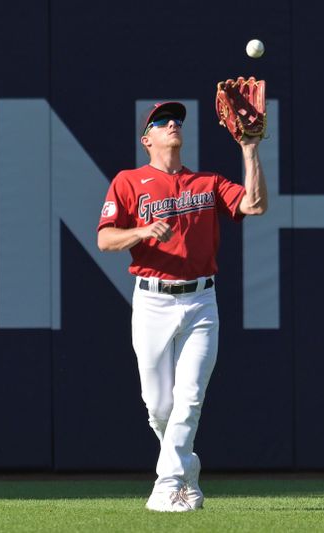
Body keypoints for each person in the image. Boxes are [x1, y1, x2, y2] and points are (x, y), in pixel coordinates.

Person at [97, 101, 267, 512]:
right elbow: (105, 240)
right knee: (159, 406)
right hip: (152, 300)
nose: (172, 124)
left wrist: (249, 149)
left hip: (201, 301)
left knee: (189, 398)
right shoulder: (128, 181)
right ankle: (188, 473)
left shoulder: (206, 182)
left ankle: (166, 486)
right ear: (147, 139)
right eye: (161, 121)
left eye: (176, 120)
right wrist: (140, 230)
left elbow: (255, 205)